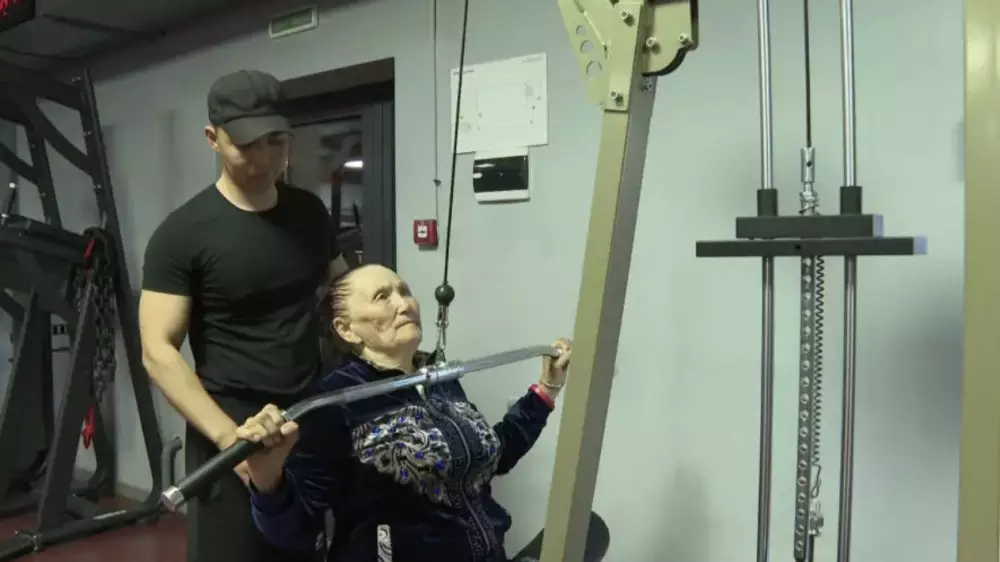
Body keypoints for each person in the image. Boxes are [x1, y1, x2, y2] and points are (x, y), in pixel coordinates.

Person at [139, 69, 346, 562]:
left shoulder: (309, 213)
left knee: (305, 551)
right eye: (247, 145)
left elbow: (343, 293)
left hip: (304, 418)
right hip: (232, 426)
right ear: (213, 138)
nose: (264, 158)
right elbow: (157, 351)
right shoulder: (182, 234)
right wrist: (231, 441)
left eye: (276, 141)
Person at [233, 264, 572, 562]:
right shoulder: (331, 402)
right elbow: (295, 531)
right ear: (346, 329)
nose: (404, 304)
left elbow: (491, 458)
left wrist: (546, 391)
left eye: (405, 291)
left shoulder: (441, 381)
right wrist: (268, 480)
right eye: (382, 297)